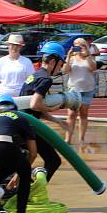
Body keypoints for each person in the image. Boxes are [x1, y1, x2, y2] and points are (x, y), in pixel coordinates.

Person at [19, 41, 69, 180]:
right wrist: (51, 108)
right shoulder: (46, 79)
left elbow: (32, 107)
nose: (61, 68)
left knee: (27, 161)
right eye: (60, 64)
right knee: (53, 161)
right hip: (28, 127)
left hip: (21, 123)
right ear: (53, 61)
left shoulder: (36, 75)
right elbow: (35, 104)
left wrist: (57, 121)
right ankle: (37, 193)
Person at [63, 37, 97, 145]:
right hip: (74, 89)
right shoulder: (72, 58)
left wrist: (87, 54)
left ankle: (81, 138)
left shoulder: (89, 57)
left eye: (81, 45)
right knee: (71, 114)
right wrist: (68, 56)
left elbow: (93, 68)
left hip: (87, 89)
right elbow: (65, 70)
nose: (79, 48)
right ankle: (68, 138)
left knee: (84, 114)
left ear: (85, 46)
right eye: (76, 45)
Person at [0, 34, 34, 99]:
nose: (14, 47)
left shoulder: (27, 62)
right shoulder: (0, 61)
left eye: (17, 45)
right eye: (12, 45)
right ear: (8, 45)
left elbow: (31, 80)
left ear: (20, 47)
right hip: (3, 97)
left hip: (21, 97)